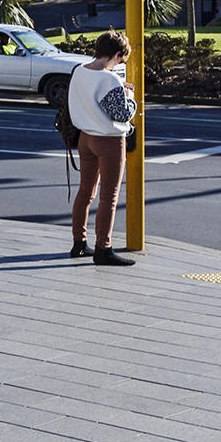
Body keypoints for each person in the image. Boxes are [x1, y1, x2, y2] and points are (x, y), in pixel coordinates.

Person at [67, 30, 137, 266]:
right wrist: (129, 95)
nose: (119, 64)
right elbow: (122, 113)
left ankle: (79, 243)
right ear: (117, 54)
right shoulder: (109, 79)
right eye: (121, 60)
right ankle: (103, 249)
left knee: (85, 192)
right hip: (108, 140)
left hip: (85, 138)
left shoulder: (79, 71)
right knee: (109, 197)